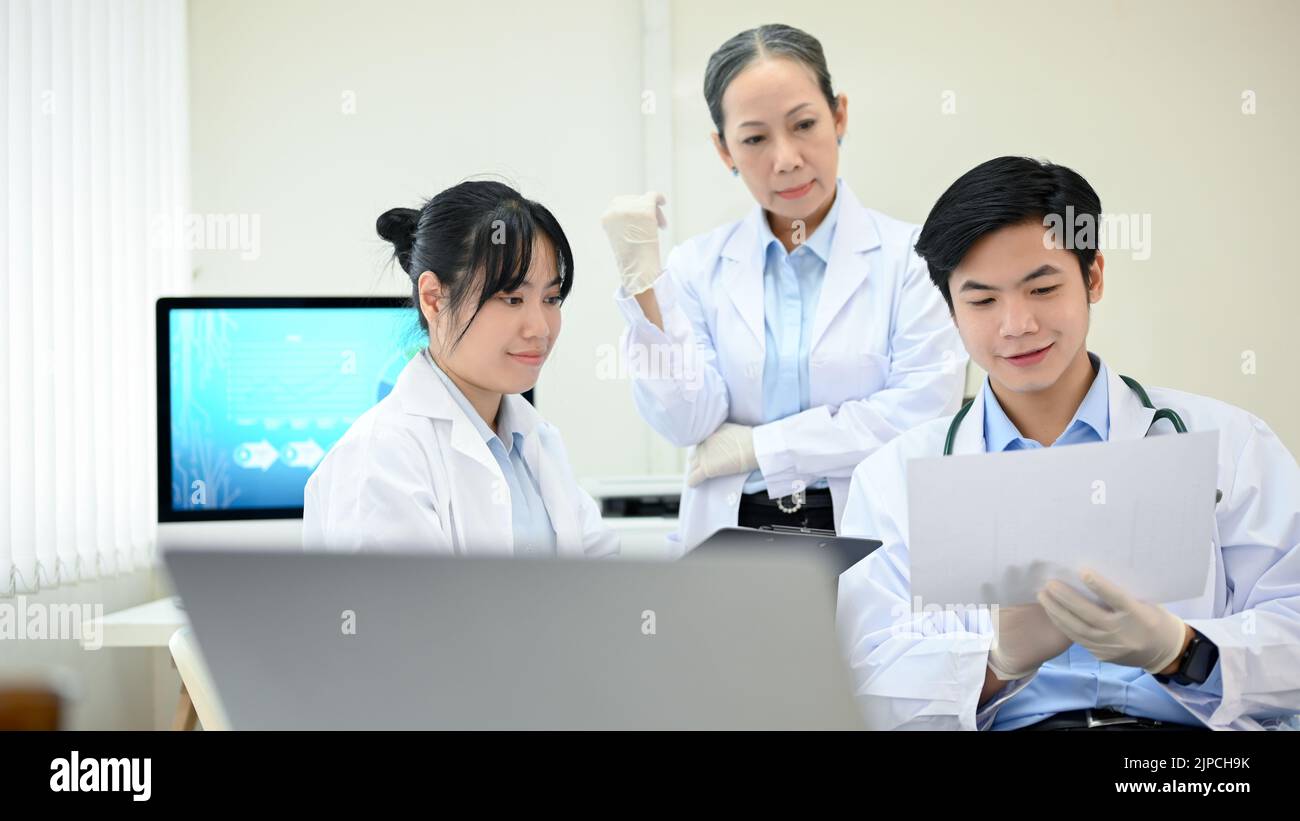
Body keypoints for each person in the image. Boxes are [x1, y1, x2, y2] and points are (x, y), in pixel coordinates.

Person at [838, 156, 1300, 730]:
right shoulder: (893, 479)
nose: (1016, 324)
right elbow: (864, 678)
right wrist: (994, 664)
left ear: (1094, 277)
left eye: (1042, 288)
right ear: (951, 311)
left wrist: (1182, 651)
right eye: (982, 301)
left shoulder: (1232, 444)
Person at [601, 23, 966, 554]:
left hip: (869, 536)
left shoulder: (912, 260)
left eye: (803, 124)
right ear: (724, 150)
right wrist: (642, 282)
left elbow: (919, 417)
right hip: (730, 539)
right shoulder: (697, 267)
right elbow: (687, 421)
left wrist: (758, 447)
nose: (786, 158)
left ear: (839, 115)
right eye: (754, 138)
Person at [303, 180, 618, 558]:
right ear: (433, 298)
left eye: (551, 298)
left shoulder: (533, 441)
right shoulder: (379, 457)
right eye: (512, 298)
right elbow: (402, 613)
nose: (540, 328)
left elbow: (603, 580)